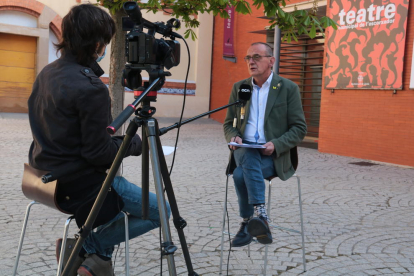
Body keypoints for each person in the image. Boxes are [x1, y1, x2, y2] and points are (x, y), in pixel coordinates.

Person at [27, 4, 170, 276]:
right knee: (159, 210)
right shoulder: (91, 88)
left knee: (124, 210)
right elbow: (99, 154)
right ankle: (87, 247)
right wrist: (133, 144)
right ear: (97, 44)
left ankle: (94, 259)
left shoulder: (47, 72)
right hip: (78, 184)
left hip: (43, 177)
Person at [223, 42, 307, 247]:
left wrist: (276, 144)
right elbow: (228, 124)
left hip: (272, 156)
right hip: (244, 149)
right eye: (248, 58)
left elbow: (299, 128)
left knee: (241, 174)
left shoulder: (288, 88)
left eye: (256, 57)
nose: (251, 61)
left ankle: (246, 222)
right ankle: (261, 216)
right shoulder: (240, 88)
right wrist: (234, 136)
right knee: (248, 154)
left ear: (271, 60)